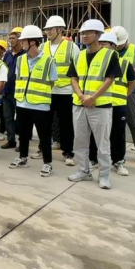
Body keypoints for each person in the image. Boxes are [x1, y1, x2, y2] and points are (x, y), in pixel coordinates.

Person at [67, 19, 121, 190]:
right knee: (79, 140)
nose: (84, 36)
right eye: (83, 33)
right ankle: (83, 171)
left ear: (98, 35)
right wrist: (81, 95)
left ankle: (104, 175)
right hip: (79, 104)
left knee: (102, 143)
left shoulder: (110, 55)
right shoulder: (79, 55)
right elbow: (73, 78)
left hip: (100, 106)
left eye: (88, 33)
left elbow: (109, 79)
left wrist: (93, 97)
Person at [9, 26, 57, 176]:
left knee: (44, 136)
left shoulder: (49, 61)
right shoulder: (20, 60)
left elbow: (52, 82)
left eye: (23, 40)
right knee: (23, 133)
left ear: (32, 42)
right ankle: (23, 158)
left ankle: (47, 163)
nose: (21, 42)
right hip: (22, 103)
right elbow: (19, 78)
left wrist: (38, 94)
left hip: (40, 105)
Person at [88, 32, 135, 177]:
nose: (101, 46)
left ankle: (118, 161)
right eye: (100, 43)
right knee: (96, 133)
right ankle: (93, 159)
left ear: (114, 46)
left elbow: (132, 83)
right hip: (100, 103)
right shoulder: (95, 61)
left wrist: (123, 96)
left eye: (104, 44)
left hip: (117, 104)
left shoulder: (124, 63)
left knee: (117, 134)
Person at [42, 15, 80, 166]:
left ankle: (68, 152)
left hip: (66, 92)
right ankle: (43, 149)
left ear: (59, 29)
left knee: (66, 124)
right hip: (47, 91)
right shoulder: (42, 47)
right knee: (45, 123)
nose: (48, 32)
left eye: (50, 29)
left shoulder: (72, 47)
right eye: (46, 30)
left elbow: (78, 71)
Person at [110, 26, 135, 166]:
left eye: (119, 44)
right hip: (108, 91)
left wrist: (127, 69)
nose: (116, 47)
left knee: (133, 122)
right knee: (109, 123)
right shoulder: (107, 49)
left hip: (129, 91)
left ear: (126, 40)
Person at [0, 27, 23, 150]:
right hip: (7, 91)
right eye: (10, 38)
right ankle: (11, 140)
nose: (11, 40)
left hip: (19, 92)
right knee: (7, 117)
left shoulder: (25, 55)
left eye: (13, 38)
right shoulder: (7, 54)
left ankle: (22, 142)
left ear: (19, 39)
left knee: (20, 119)